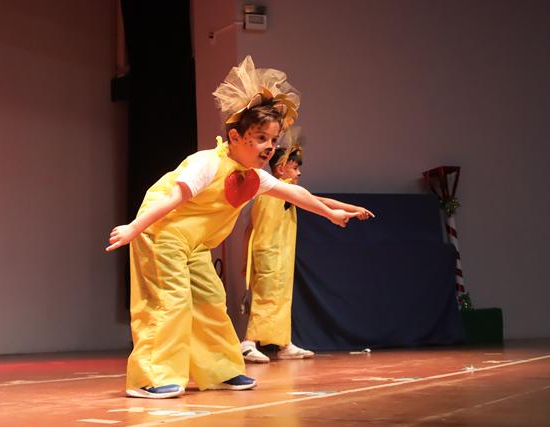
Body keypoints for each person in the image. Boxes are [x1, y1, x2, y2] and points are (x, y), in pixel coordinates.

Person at [105, 56, 359, 399]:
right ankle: (150, 377)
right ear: (236, 136)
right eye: (260, 138)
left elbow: (296, 193)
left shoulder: (253, 178)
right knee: (171, 301)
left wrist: (331, 213)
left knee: (211, 300)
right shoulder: (207, 163)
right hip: (160, 234)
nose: (269, 147)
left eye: (273, 140)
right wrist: (134, 228)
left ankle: (220, 370)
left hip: (194, 245)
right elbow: (172, 199)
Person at [241, 139, 374, 363]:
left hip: (280, 253)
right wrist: (353, 208)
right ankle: (248, 342)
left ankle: (284, 344)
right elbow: (319, 201)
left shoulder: (280, 191)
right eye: (295, 167)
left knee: (281, 297)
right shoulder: (277, 190)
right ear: (281, 169)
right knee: (267, 297)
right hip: (269, 253)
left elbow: (248, 229)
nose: (299, 173)